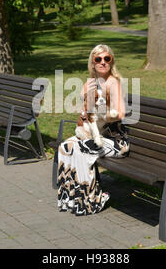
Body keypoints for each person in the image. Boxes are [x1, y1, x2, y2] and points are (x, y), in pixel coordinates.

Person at [56, 44, 130, 216]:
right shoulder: (89, 83)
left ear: (111, 61)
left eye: (107, 58)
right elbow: (84, 110)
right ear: (93, 63)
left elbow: (121, 113)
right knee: (65, 147)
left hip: (117, 141)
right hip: (94, 134)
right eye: (98, 59)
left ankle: (93, 200)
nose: (103, 62)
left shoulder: (114, 83)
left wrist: (101, 114)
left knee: (83, 149)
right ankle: (72, 198)